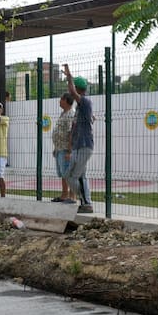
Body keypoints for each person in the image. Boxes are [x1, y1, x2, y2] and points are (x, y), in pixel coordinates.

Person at [62, 64, 94, 213]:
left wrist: (69, 77)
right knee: (75, 175)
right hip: (78, 146)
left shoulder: (85, 102)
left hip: (84, 145)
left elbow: (72, 92)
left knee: (75, 176)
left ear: (79, 88)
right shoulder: (81, 107)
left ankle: (86, 202)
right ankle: (85, 201)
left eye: (75, 87)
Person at [50, 93, 76, 203]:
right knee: (63, 174)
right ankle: (64, 195)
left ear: (66, 100)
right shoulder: (63, 113)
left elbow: (71, 133)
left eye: (61, 99)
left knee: (68, 173)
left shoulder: (70, 114)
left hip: (66, 149)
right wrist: (56, 148)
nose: (59, 101)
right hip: (60, 148)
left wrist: (70, 151)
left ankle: (72, 196)